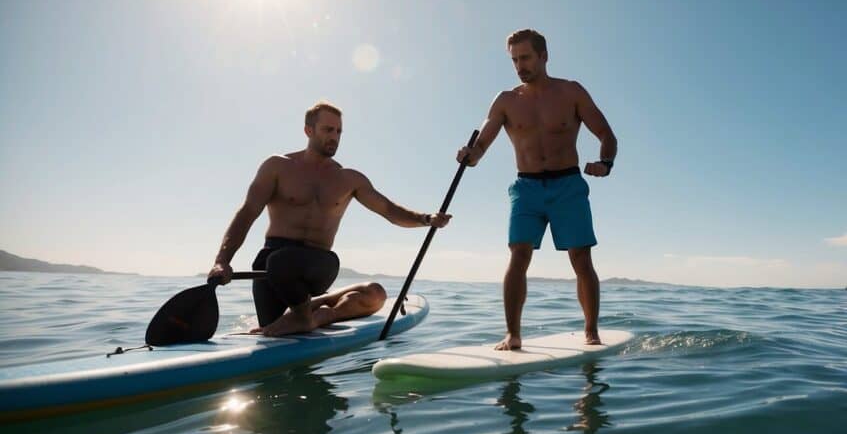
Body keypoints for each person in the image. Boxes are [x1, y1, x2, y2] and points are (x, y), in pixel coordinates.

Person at [208, 101, 451, 337]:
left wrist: (426, 218)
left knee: (374, 292)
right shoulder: (277, 167)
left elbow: (388, 209)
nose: (334, 136)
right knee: (278, 287)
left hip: (319, 263)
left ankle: (316, 316)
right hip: (273, 266)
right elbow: (248, 212)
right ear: (308, 130)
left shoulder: (348, 178)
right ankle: (312, 309)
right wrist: (222, 261)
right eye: (328, 129)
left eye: (338, 131)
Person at [456, 29, 618, 350]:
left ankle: (591, 332)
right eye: (514, 60)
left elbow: (606, 134)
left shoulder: (571, 92)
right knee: (518, 253)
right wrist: (469, 155)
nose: (520, 66)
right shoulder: (505, 101)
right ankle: (513, 334)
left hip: (568, 185)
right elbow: (481, 147)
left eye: (526, 57)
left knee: (581, 259)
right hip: (526, 188)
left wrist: (605, 163)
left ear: (544, 56)